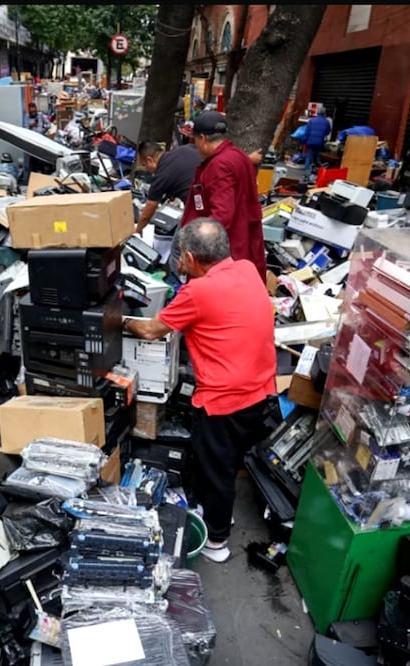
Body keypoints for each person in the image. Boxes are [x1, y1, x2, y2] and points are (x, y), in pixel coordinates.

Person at [123, 219, 278, 563]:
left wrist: (115, 320)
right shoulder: (248, 269)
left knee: (216, 467)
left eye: (181, 257)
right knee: (230, 459)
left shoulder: (198, 292)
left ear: (191, 258)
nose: (178, 262)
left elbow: (150, 330)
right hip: (259, 390)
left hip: (223, 399)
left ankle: (217, 540)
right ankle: (220, 512)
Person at [181, 111, 267, 282]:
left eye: (195, 140)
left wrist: (193, 255)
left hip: (221, 255)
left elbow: (221, 215)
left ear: (203, 138)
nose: (195, 146)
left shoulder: (219, 165)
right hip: (241, 245)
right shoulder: (239, 156)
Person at [134, 140, 201, 235]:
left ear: (150, 160)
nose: (146, 169)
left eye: (145, 165)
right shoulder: (186, 148)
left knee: (178, 243)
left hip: (199, 209)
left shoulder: (160, 176)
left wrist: (137, 230)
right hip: (216, 194)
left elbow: (148, 212)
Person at [302, 111, 332, 178]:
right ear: (324, 114)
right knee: (317, 156)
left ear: (317, 113)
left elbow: (307, 132)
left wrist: (304, 141)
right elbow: (328, 131)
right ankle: (315, 171)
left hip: (310, 142)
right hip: (319, 142)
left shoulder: (311, 121)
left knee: (309, 156)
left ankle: (306, 172)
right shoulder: (326, 122)